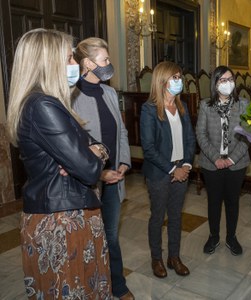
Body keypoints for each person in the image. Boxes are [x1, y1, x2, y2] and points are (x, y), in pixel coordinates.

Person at [6, 28, 112, 299]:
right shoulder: (42, 106)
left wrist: (93, 151)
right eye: (68, 58)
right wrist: (89, 155)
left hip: (68, 212)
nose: (75, 64)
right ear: (47, 62)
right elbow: (89, 170)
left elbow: (95, 149)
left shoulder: (52, 103)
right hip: (62, 222)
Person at [72, 38, 134, 299]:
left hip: (114, 179)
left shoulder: (110, 93)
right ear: (88, 64)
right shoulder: (70, 96)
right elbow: (74, 147)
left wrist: (123, 162)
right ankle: (92, 287)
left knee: (111, 236)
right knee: (87, 240)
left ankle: (117, 285)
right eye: (105, 60)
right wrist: (99, 172)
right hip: (88, 182)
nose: (109, 65)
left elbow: (121, 132)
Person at [140, 61, 196, 278]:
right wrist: (174, 170)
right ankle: (157, 259)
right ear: (162, 81)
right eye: (175, 78)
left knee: (175, 216)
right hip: (160, 173)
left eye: (180, 77)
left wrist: (187, 165)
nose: (179, 81)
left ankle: (174, 257)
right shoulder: (149, 110)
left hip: (183, 168)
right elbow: (149, 148)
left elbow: (190, 140)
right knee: (157, 217)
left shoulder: (182, 107)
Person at [196, 65, 250, 256]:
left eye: (230, 79)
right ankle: (213, 236)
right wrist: (216, 158)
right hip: (211, 163)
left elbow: (247, 135)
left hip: (238, 163)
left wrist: (232, 159)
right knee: (214, 201)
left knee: (233, 201)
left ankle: (231, 237)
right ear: (215, 83)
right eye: (222, 80)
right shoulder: (205, 105)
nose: (227, 83)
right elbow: (201, 134)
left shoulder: (243, 104)